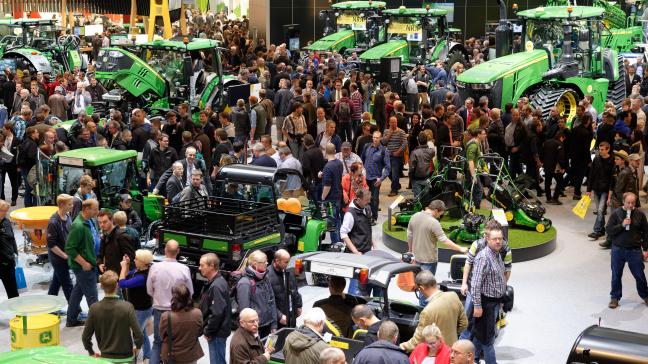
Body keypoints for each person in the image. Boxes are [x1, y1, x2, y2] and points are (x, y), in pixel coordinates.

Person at [459, 220, 512, 341]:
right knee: (468, 315)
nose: (486, 238)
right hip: (474, 287)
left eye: (499, 238)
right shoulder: (476, 245)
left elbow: (507, 270)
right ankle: (463, 342)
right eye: (486, 235)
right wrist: (463, 283)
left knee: (489, 321)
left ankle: (485, 343)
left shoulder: (505, 248)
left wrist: (501, 290)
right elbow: (468, 263)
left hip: (491, 295)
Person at [407, 200, 467, 305]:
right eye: (440, 214)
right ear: (436, 210)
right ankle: (425, 311)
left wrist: (411, 252)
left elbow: (409, 235)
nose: (439, 216)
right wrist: (460, 248)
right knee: (427, 288)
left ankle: (422, 308)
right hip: (429, 261)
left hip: (416, 259)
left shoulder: (414, 216)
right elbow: (444, 240)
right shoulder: (434, 222)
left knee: (420, 285)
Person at [147, 240, 194, 364]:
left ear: (165, 250)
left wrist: (158, 298)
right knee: (174, 344)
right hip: (177, 312)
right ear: (178, 251)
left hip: (159, 311)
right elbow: (190, 292)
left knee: (158, 343)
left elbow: (149, 290)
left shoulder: (155, 267)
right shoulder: (184, 269)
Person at [81, 271, 143, 361]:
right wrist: (138, 347)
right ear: (117, 286)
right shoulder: (127, 306)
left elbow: (85, 337)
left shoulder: (94, 308)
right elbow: (138, 334)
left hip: (106, 358)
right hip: (127, 357)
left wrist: (91, 352)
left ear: (101, 286)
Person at [401, 270, 467, 352]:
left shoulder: (427, 312)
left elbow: (417, 341)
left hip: (438, 354)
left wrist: (399, 347)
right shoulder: (453, 296)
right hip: (453, 351)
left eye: (418, 290)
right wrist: (451, 333)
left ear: (421, 288)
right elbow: (464, 323)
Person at [470, 225, 507, 364]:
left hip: (495, 303)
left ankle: (472, 359)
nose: (498, 241)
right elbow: (475, 284)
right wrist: (478, 306)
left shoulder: (497, 254)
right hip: (485, 305)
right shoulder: (483, 257)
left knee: (480, 335)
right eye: (495, 239)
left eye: (500, 239)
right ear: (487, 239)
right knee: (488, 340)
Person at [605, 192, 648, 309]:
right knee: (616, 274)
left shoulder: (640, 215)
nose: (630, 205)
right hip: (618, 250)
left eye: (633, 203)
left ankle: (645, 295)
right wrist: (622, 225)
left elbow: (646, 232)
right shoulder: (616, 214)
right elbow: (609, 230)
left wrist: (645, 249)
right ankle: (615, 297)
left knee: (639, 275)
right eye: (628, 202)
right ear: (623, 202)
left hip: (634, 250)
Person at [65, 198, 101, 327]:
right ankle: (98, 324)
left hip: (90, 263)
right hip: (84, 267)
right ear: (86, 209)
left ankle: (71, 319)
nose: (98, 211)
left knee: (77, 293)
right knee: (92, 297)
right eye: (95, 209)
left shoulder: (89, 220)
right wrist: (84, 263)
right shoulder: (78, 225)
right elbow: (69, 248)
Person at [118, 249, 154, 362]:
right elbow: (128, 276)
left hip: (141, 310)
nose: (134, 260)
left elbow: (122, 284)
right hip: (141, 308)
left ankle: (131, 356)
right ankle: (148, 355)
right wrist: (127, 265)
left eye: (136, 259)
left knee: (136, 334)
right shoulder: (140, 270)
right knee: (141, 333)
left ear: (143, 262)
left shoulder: (142, 277)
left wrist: (123, 267)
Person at [236, 250, 278, 339]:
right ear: (255, 264)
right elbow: (244, 312)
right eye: (264, 262)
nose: (267, 263)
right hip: (255, 330)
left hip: (267, 325)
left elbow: (272, 301)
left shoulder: (265, 278)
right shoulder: (244, 283)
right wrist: (253, 332)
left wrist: (274, 325)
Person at [198, 253, 231, 364]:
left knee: (217, 361)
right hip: (218, 331)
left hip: (217, 333)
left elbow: (217, 313)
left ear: (211, 266)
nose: (199, 268)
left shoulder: (216, 286)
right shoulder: (217, 282)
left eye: (202, 265)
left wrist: (208, 331)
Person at [160, 285, 205, 364]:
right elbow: (200, 332)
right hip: (192, 355)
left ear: (174, 298)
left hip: (173, 356)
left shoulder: (166, 316)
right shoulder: (198, 313)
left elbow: (163, 336)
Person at [46, 194, 73, 303]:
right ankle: (76, 312)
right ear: (62, 204)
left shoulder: (68, 216)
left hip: (66, 255)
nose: (72, 206)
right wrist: (65, 256)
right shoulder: (53, 222)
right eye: (69, 204)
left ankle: (49, 306)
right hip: (58, 259)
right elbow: (51, 245)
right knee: (68, 285)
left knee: (56, 282)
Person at [267, 249, 302, 329]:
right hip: (279, 319)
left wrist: (299, 305)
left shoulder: (287, 271)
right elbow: (268, 301)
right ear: (277, 261)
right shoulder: (268, 276)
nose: (288, 264)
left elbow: (295, 289)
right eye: (286, 262)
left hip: (291, 315)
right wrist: (279, 316)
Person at [586, 142, 615, 239]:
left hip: (605, 190)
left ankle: (597, 230)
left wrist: (610, 192)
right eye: (599, 149)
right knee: (600, 211)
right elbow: (591, 174)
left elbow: (612, 178)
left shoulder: (612, 161)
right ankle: (602, 229)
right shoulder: (596, 159)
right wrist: (589, 189)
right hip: (596, 188)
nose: (600, 151)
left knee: (600, 210)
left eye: (602, 149)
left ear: (608, 149)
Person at [361, 131, 390, 224]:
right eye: (374, 137)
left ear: (380, 138)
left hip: (375, 179)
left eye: (377, 137)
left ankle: (374, 217)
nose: (375, 139)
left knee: (374, 199)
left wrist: (381, 178)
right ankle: (367, 216)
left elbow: (388, 167)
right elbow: (361, 161)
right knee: (365, 198)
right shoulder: (367, 147)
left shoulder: (383, 150)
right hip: (365, 178)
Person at [97, 210, 135, 275]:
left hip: (120, 276)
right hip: (109, 274)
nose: (102, 225)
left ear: (111, 220)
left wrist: (123, 277)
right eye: (100, 222)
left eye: (105, 222)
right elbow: (100, 254)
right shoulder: (104, 236)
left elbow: (130, 258)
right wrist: (100, 263)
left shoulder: (122, 236)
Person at [322, 143, 344, 244]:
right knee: (338, 219)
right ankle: (339, 240)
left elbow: (327, 186)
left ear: (326, 152)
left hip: (330, 199)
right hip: (338, 195)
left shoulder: (327, 167)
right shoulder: (339, 163)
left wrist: (322, 197)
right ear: (335, 151)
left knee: (332, 222)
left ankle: (336, 244)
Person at [383, 116, 407, 196]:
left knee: (395, 173)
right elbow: (383, 142)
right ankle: (397, 185)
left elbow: (405, 143)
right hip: (387, 156)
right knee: (388, 173)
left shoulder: (401, 132)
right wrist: (389, 134)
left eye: (395, 122)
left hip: (397, 156)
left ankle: (394, 190)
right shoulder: (386, 131)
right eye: (392, 122)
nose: (394, 124)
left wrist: (398, 151)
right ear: (389, 123)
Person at [543, 131, 567, 205]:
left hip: (546, 166)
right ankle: (555, 198)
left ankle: (548, 198)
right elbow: (560, 157)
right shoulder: (559, 144)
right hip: (555, 167)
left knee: (547, 182)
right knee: (560, 182)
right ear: (561, 137)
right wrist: (563, 167)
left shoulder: (546, 142)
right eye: (563, 139)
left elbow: (542, 153)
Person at [0, 200, 18, 299]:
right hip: (1, 262)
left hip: (8, 262)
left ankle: (17, 314)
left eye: (6, 211)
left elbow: (12, 239)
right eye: (3, 211)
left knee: (13, 293)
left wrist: (15, 253)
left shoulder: (6, 222)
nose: (5, 213)